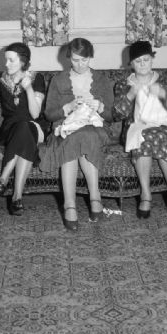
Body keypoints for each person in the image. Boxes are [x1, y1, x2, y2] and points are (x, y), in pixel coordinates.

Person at [40, 37, 115, 231]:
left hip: (96, 128)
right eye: (75, 60)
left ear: (91, 58)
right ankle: (77, 203)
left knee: (85, 135)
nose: (80, 65)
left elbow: (112, 115)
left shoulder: (101, 79)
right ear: (68, 59)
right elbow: (49, 114)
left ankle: (85, 200)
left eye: (84, 60)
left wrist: (100, 106)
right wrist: (67, 107)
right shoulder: (58, 80)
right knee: (74, 138)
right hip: (66, 127)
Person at [113, 41, 167, 220]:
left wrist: (163, 94)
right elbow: (117, 114)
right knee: (143, 137)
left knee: (158, 135)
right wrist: (131, 94)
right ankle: (146, 194)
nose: (143, 64)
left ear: (152, 60)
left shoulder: (165, 81)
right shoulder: (124, 84)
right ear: (131, 64)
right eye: (138, 61)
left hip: (164, 127)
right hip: (138, 128)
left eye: (146, 59)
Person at [0, 42, 48, 215]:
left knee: (26, 126)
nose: (6, 64)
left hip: (34, 126)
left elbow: (35, 114)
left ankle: (3, 179)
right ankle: (17, 198)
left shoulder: (36, 78)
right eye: (5, 60)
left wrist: (28, 88)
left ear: (23, 61)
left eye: (10, 60)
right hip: (9, 129)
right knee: (23, 134)